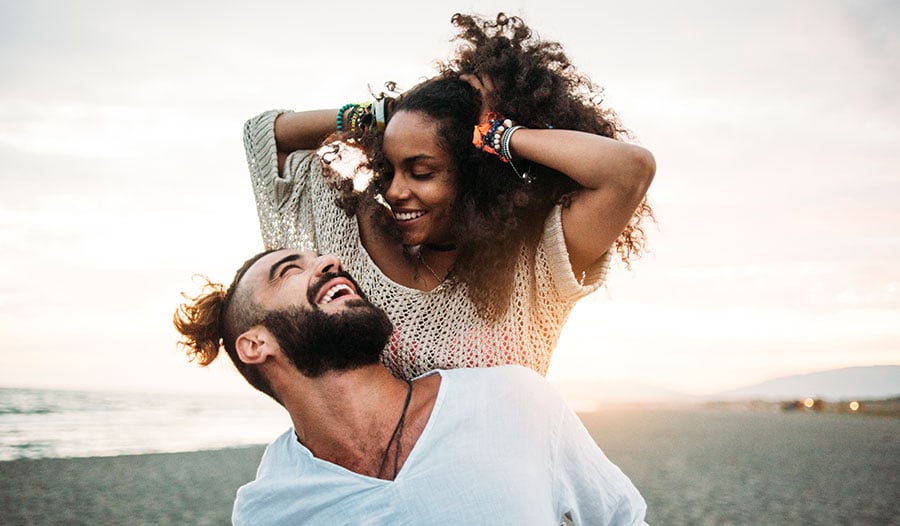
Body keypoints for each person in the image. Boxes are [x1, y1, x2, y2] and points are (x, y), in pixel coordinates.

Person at [244, 12, 656, 379]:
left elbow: (628, 171)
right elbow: (264, 137)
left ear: (477, 175)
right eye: (393, 168)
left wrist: (499, 135)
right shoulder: (350, 230)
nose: (395, 190)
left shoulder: (535, 266)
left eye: (421, 172)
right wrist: (379, 114)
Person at [173, 248, 648, 524]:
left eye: (321, 256)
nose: (332, 262)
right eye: (290, 271)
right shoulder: (270, 509)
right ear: (255, 344)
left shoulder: (514, 399)